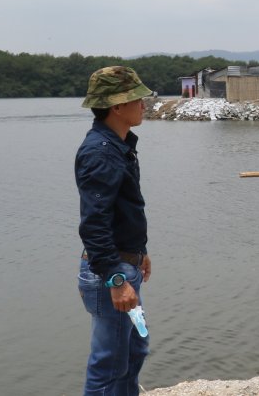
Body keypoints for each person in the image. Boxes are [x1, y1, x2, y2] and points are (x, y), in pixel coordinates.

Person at [75, 66, 155, 394]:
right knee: (109, 363)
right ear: (117, 107)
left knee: (134, 350)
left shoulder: (120, 145)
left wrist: (140, 252)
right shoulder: (100, 152)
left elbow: (123, 212)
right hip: (111, 276)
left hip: (126, 267)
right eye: (137, 98)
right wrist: (117, 279)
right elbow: (94, 224)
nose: (144, 104)